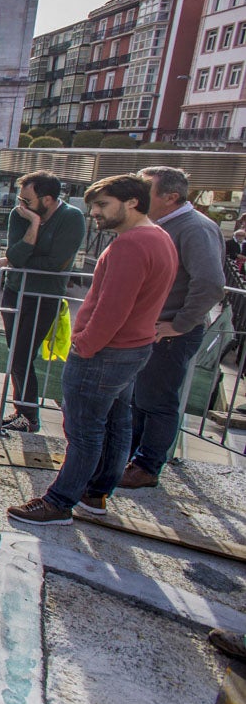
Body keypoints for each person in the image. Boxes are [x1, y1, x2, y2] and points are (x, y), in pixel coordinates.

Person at [7, 174, 177, 525]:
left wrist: (84, 346)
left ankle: (59, 502)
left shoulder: (131, 244)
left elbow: (112, 309)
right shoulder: (159, 237)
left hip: (106, 351)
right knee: (116, 424)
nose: (95, 214)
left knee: (84, 432)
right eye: (93, 206)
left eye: (102, 205)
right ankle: (95, 495)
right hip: (132, 348)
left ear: (132, 202)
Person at [118, 167, 225, 490]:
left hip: (169, 333)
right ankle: (131, 458)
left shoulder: (194, 229)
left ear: (171, 197)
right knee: (139, 397)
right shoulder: (162, 226)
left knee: (157, 400)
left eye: (144, 190)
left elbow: (209, 284)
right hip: (151, 329)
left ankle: (147, 466)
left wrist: (178, 324)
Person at [0, 171, 86, 433]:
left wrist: (18, 260)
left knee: (22, 355)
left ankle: (28, 415)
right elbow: (15, 254)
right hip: (15, 290)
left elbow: (55, 264)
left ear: (49, 199)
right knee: (16, 354)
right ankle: (23, 411)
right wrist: (32, 223)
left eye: (27, 200)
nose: (22, 205)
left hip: (43, 296)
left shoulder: (72, 218)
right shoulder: (20, 215)